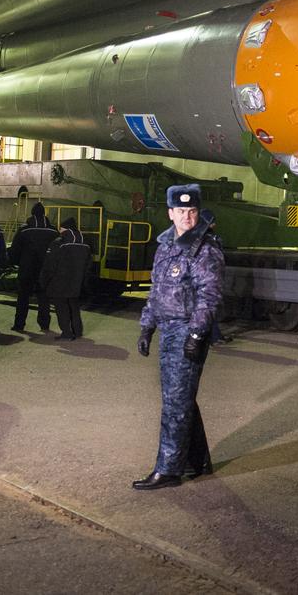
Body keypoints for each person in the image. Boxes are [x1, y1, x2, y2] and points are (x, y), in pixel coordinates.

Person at [133, 184, 223, 490]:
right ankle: (197, 462)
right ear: (170, 213)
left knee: (175, 402)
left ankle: (169, 469)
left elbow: (208, 297)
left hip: (187, 329)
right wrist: (147, 327)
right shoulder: (166, 246)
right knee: (180, 398)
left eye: (193, 211)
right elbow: (156, 292)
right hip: (168, 331)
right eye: (181, 211)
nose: (187, 217)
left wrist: (197, 334)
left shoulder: (205, 249)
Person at [9, 203, 58, 332]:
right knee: (43, 298)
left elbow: (15, 250)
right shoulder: (53, 231)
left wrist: (17, 263)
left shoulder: (24, 230)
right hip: (45, 270)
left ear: (32, 213)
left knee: (23, 297)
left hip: (27, 269)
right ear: (44, 214)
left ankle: (19, 325)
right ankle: (44, 324)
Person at [41, 217, 91, 340]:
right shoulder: (85, 244)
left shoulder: (59, 242)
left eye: (61, 228)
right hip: (77, 281)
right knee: (74, 305)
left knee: (61, 306)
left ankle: (66, 333)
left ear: (65, 228)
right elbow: (89, 265)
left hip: (60, 281)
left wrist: (44, 280)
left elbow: (50, 264)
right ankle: (77, 331)